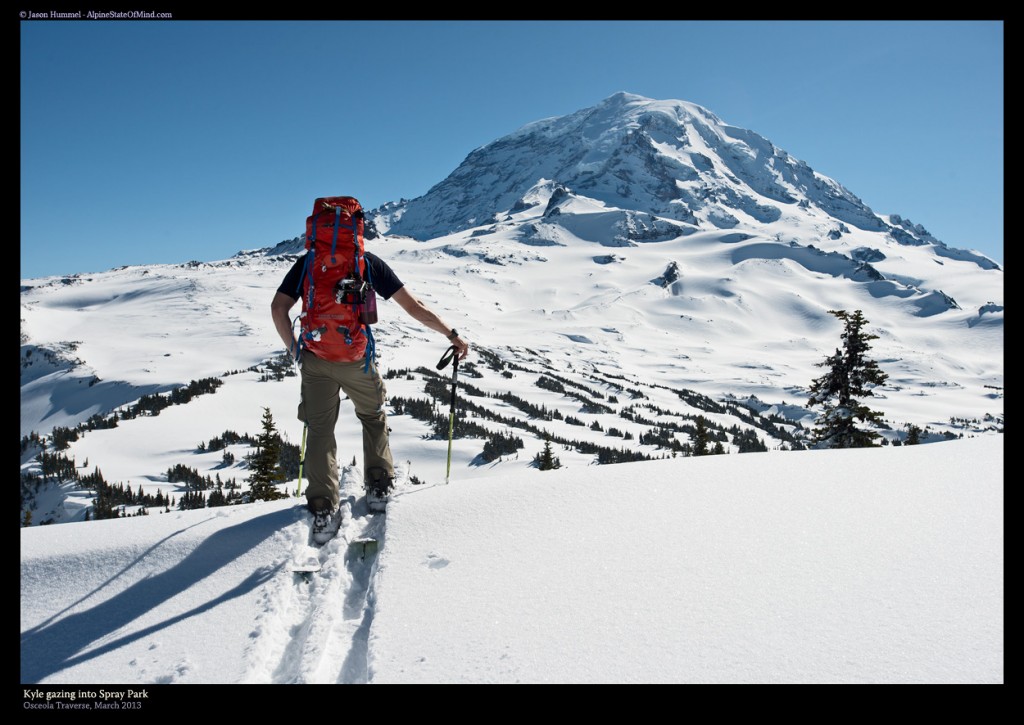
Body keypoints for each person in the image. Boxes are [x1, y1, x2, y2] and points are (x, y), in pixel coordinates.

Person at [271, 245, 469, 542]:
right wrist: (451, 335)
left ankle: (323, 508)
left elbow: (278, 308)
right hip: (356, 360)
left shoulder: (308, 263)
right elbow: (414, 306)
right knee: (373, 417)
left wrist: (296, 351)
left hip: (316, 359)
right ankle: (378, 485)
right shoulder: (367, 263)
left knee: (320, 430)